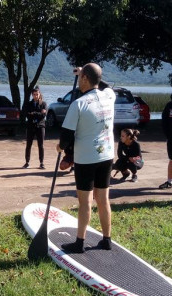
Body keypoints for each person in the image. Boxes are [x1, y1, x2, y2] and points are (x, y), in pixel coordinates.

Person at [56, 63, 116, 253]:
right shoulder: (109, 96)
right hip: (106, 156)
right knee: (103, 199)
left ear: (85, 79)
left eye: (82, 76)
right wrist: (90, 73)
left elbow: (66, 136)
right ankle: (107, 240)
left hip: (86, 159)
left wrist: (60, 147)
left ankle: (79, 243)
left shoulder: (78, 104)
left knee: (85, 201)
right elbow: (105, 85)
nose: (79, 79)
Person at [22, 86, 48, 169]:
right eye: (34, 94)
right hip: (30, 126)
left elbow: (43, 115)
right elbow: (26, 114)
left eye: (37, 94)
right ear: (32, 95)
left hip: (40, 126)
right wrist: (37, 113)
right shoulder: (28, 104)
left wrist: (34, 113)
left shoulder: (43, 104)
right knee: (28, 145)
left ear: (39, 94)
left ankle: (42, 162)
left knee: (41, 145)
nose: (36, 96)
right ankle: (27, 162)